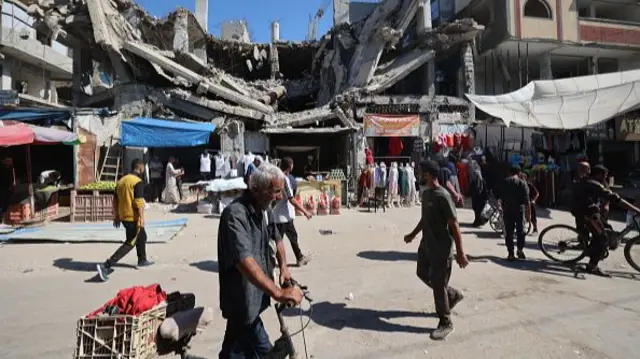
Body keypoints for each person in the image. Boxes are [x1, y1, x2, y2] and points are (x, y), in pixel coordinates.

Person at [217, 163, 304, 358]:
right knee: (264, 352)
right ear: (255, 190)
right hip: (242, 301)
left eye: (281, 191)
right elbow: (243, 260)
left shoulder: (265, 209)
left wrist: (284, 268)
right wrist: (279, 293)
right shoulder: (235, 215)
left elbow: (278, 238)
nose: (280, 197)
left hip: (254, 302)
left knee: (235, 351)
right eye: (275, 191)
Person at [404, 160, 468, 341]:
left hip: (441, 250)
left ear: (429, 175)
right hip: (427, 246)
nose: (418, 174)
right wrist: (412, 235)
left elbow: (454, 226)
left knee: (438, 285)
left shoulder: (443, 196)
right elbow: (424, 219)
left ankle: (446, 322)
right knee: (422, 273)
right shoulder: (426, 195)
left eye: (420, 172)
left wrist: (461, 253)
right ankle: (452, 295)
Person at [572, 165, 640, 277]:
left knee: (606, 230)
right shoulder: (594, 184)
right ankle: (592, 266)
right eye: (605, 175)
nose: (606, 177)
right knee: (603, 238)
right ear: (599, 174)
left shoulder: (588, 181)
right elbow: (615, 198)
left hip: (587, 210)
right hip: (587, 213)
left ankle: (593, 250)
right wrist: (635, 209)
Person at [97, 159, 152, 282]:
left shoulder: (121, 181)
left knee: (142, 236)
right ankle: (106, 265)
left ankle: (142, 259)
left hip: (123, 217)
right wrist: (142, 218)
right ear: (140, 168)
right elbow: (139, 202)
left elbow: (115, 200)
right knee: (130, 242)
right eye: (143, 168)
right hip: (133, 217)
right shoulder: (137, 182)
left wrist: (116, 216)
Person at [274, 157, 312, 267]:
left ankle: (299, 257)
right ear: (290, 166)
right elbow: (291, 199)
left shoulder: (278, 176)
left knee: (287, 238)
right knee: (281, 240)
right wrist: (305, 212)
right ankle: (295, 259)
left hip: (279, 215)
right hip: (284, 216)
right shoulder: (283, 179)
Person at [498, 165, 530, 261]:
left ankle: (510, 253)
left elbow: (500, 197)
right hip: (519, 210)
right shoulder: (522, 183)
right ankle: (520, 250)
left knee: (509, 232)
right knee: (521, 231)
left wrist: (502, 207)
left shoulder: (504, 182)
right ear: (519, 173)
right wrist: (529, 214)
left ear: (509, 172)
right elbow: (526, 200)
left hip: (507, 210)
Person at [468, 160, 487, 227]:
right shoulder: (479, 176)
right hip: (479, 197)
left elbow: (477, 188)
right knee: (477, 210)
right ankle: (478, 222)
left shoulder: (477, 176)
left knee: (478, 210)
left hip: (478, 197)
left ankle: (478, 222)